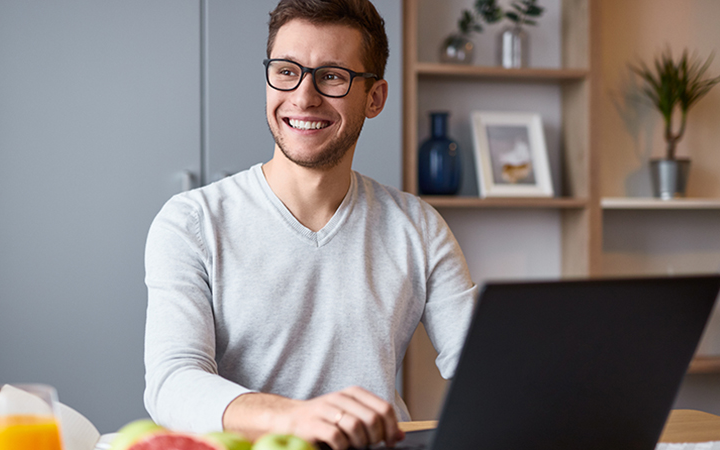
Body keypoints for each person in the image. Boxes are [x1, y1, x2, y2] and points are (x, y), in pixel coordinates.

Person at [143, 1, 476, 449]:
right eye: (286, 71)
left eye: (332, 76)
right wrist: (296, 418)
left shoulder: (418, 226)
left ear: (374, 98)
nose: (303, 96)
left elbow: (484, 372)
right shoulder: (191, 222)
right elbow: (172, 383)